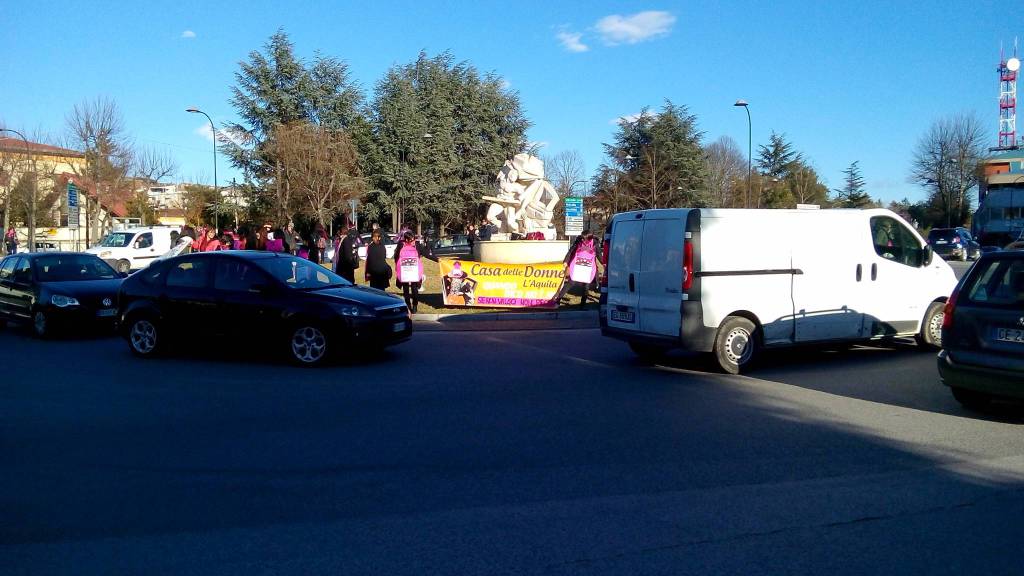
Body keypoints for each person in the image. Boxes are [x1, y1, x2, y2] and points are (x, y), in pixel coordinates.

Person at [561, 230, 599, 310]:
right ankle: (557, 299)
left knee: (586, 287)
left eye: (584, 238)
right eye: (582, 238)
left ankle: (582, 305)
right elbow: (570, 252)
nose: (582, 240)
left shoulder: (595, 244)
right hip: (576, 266)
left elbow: (598, 254)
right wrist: (565, 261)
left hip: (588, 268)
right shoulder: (578, 241)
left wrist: (604, 263)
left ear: (589, 238)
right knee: (570, 283)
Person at [394, 231, 430, 313]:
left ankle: (414, 305)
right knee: (405, 289)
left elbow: (426, 253)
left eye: (413, 239)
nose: (413, 241)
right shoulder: (401, 244)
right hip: (404, 270)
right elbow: (396, 256)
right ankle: (407, 305)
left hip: (414, 270)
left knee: (414, 289)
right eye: (411, 239)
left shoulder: (417, 244)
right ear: (406, 239)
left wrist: (438, 260)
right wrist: (397, 267)